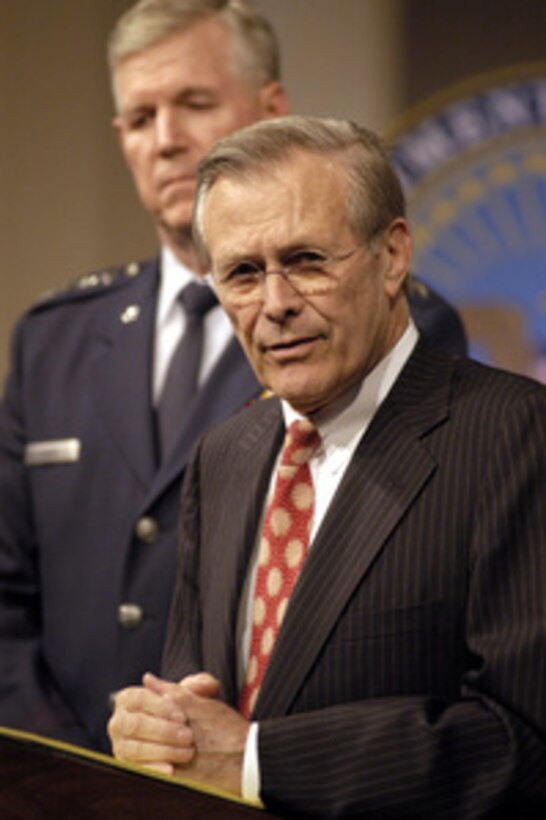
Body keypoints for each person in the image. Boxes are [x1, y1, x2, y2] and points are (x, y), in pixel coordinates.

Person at [0, 0, 464, 753]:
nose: (167, 139)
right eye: (141, 117)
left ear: (270, 109)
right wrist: (73, 769)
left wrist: (244, 767)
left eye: (194, 103)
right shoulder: (54, 336)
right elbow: (7, 600)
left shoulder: (387, 323)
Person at [108, 116, 546, 818]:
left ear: (394, 256)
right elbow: (201, 716)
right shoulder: (223, 457)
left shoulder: (513, 435)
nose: (276, 304)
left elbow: (526, 741)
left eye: (307, 260)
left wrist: (257, 761)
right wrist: (160, 736)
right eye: (243, 273)